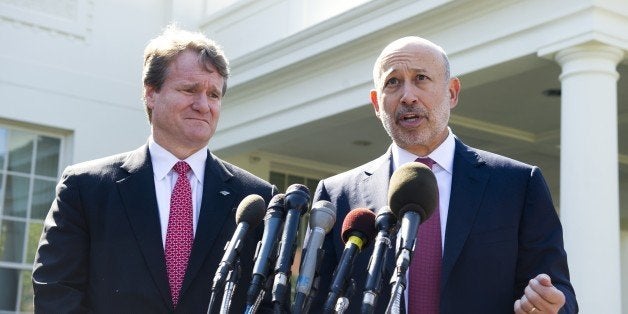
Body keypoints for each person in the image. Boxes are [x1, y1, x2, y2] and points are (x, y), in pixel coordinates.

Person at [311, 37, 577, 313]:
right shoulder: (338, 194)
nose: (408, 96)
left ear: (452, 92)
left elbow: (561, 294)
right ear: (377, 104)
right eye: (393, 82)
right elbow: (317, 303)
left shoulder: (518, 185)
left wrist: (550, 306)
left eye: (421, 78)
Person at [32, 25, 276, 313]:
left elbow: (267, 301)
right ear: (151, 93)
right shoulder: (86, 187)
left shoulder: (257, 199)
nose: (203, 105)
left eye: (214, 95)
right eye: (189, 89)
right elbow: (56, 290)